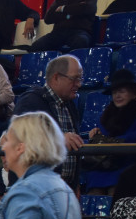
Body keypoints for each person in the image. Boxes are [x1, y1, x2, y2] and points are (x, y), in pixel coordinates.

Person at [13, 54, 85, 188]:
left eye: (80, 78)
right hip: (36, 190)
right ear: (56, 77)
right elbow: (18, 139)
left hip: (64, 191)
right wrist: (57, 139)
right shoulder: (31, 101)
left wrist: (76, 187)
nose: (79, 84)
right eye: (74, 79)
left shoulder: (70, 105)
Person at [84, 69, 136, 194]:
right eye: (114, 92)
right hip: (104, 165)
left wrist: (112, 142)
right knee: (94, 189)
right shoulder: (107, 115)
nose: (117, 96)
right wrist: (94, 136)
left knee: (116, 189)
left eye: (122, 91)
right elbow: (101, 137)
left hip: (127, 164)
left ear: (134, 93)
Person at [31, 0, 97, 52]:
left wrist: (63, 9)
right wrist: (77, 9)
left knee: (80, 41)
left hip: (80, 31)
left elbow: (88, 8)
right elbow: (48, 19)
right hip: (58, 32)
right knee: (36, 46)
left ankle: (74, 62)